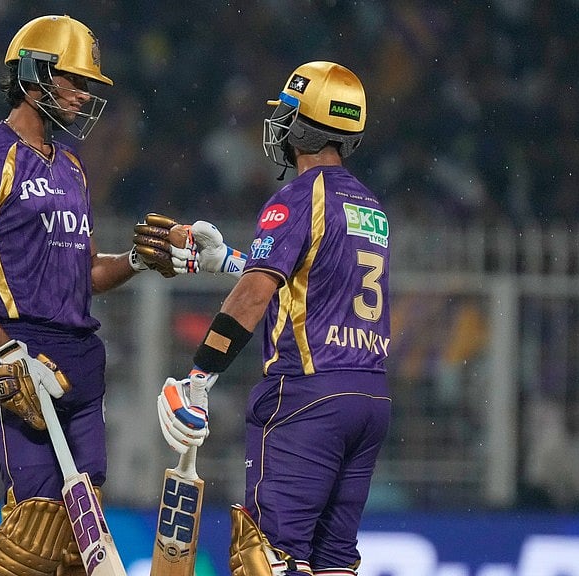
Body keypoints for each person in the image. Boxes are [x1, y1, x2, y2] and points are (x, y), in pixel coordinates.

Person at [0, 14, 194, 576]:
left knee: (81, 533)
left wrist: (135, 261)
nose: (82, 96)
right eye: (72, 81)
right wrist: (5, 352)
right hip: (21, 348)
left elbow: (86, 275)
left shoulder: (73, 168)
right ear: (33, 76)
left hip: (81, 354)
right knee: (37, 525)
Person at [158, 61, 392, 576]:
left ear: (305, 126)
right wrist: (228, 262)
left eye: (288, 113)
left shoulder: (297, 196)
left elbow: (256, 296)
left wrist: (199, 379)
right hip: (368, 399)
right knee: (333, 564)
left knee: (268, 560)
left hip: (307, 398)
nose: (280, 124)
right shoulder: (369, 206)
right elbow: (309, 290)